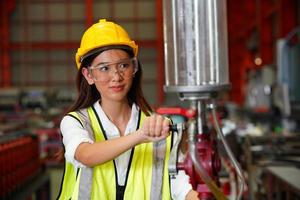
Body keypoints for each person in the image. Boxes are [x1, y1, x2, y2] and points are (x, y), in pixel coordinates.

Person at [57, 19, 199, 200]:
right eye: (104, 68)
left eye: (123, 65)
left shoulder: (159, 126)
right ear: (89, 75)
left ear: (134, 68)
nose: (116, 76)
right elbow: (85, 154)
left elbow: (178, 183)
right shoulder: (76, 122)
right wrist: (140, 136)